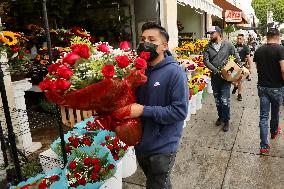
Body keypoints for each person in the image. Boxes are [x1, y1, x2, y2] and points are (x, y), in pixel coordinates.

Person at [119, 22, 189, 188]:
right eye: (143, 39)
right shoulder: (138, 71)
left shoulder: (175, 73)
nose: (145, 43)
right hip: (140, 142)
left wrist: (142, 110)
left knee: (157, 184)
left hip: (163, 147)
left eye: (152, 39)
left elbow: (179, 112)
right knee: (159, 183)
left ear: (164, 45)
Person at [203, 26, 240, 132]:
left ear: (219, 34)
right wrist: (216, 70)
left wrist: (233, 73)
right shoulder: (207, 47)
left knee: (225, 100)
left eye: (212, 33)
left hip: (225, 78)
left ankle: (226, 120)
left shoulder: (228, 45)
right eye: (210, 33)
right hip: (215, 77)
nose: (210, 35)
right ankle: (220, 116)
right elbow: (205, 60)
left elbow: (237, 58)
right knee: (217, 99)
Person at [253, 28, 284, 155]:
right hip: (276, 87)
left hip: (262, 87)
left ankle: (264, 146)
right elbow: (283, 69)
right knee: (275, 112)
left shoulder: (259, 50)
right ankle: (274, 132)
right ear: (278, 36)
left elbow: (258, 69)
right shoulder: (281, 49)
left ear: (267, 37)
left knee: (263, 116)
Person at [232, 34, 253, 101]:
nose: (239, 40)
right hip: (233, 66)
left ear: (243, 39)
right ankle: (235, 86)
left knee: (240, 81)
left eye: (240, 38)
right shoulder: (233, 47)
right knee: (230, 79)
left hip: (242, 66)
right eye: (238, 38)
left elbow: (249, 58)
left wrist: (250, 68)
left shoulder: (245, 47)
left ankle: (239, 94)